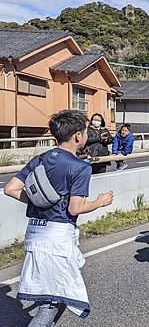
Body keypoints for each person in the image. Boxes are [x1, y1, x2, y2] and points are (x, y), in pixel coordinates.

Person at [3, 110, 113, 325]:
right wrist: (102, 201)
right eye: (85, 130)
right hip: (57, 237)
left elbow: (10, 188)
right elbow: (75, 208)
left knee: (59, 296)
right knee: (52, 302)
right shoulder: (80, 166)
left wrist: (39, 200)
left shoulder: (41, 159)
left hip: (35, 233)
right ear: (78, 137)